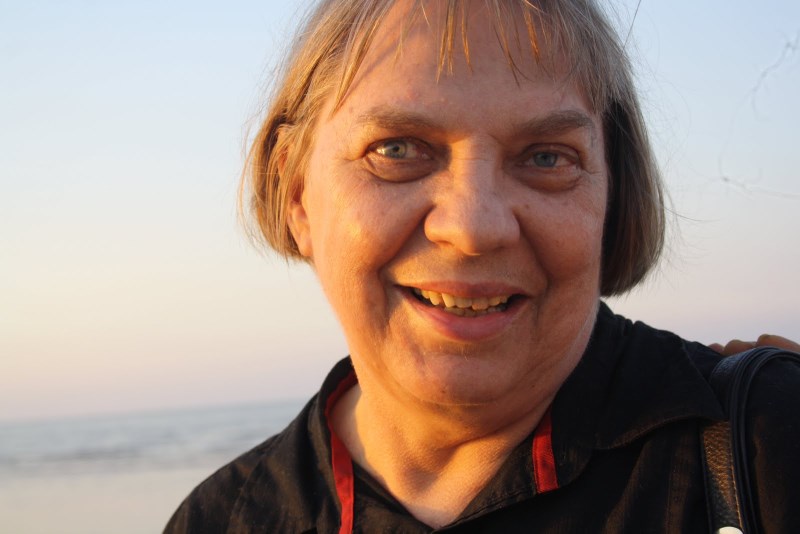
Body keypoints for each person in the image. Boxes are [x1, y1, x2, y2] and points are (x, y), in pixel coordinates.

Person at [165, 0, 800, 532]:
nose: (473, 228)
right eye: (396, 150)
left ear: (615, 192)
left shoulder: (766, 447)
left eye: (547, 157)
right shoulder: (222, 520)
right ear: (296, 191)